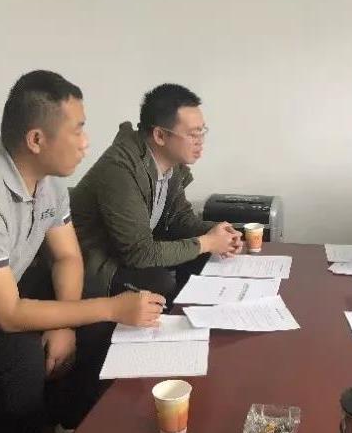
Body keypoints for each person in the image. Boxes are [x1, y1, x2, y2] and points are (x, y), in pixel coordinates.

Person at [0, 70, 164, 433]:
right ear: (37, 139)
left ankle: (69, 423)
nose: (85, 142)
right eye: (77, 129)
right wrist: (111, 307)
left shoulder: (50, 180)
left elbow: (67, 256)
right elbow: (6, 315)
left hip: (3, 286)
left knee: (92, 310)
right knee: (20, 358)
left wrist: (66, 325)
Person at [70, 82, 242, 303]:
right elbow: (139, 253)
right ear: (160, 135)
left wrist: (219, 233)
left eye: (202, 131)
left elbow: (179, 220)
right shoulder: (120, 169)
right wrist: (208, 242)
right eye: (193, 134)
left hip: (126, 254)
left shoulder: (171, 164)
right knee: (159, 281)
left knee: (205, 255)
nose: (200, 141)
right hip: (94, 265)